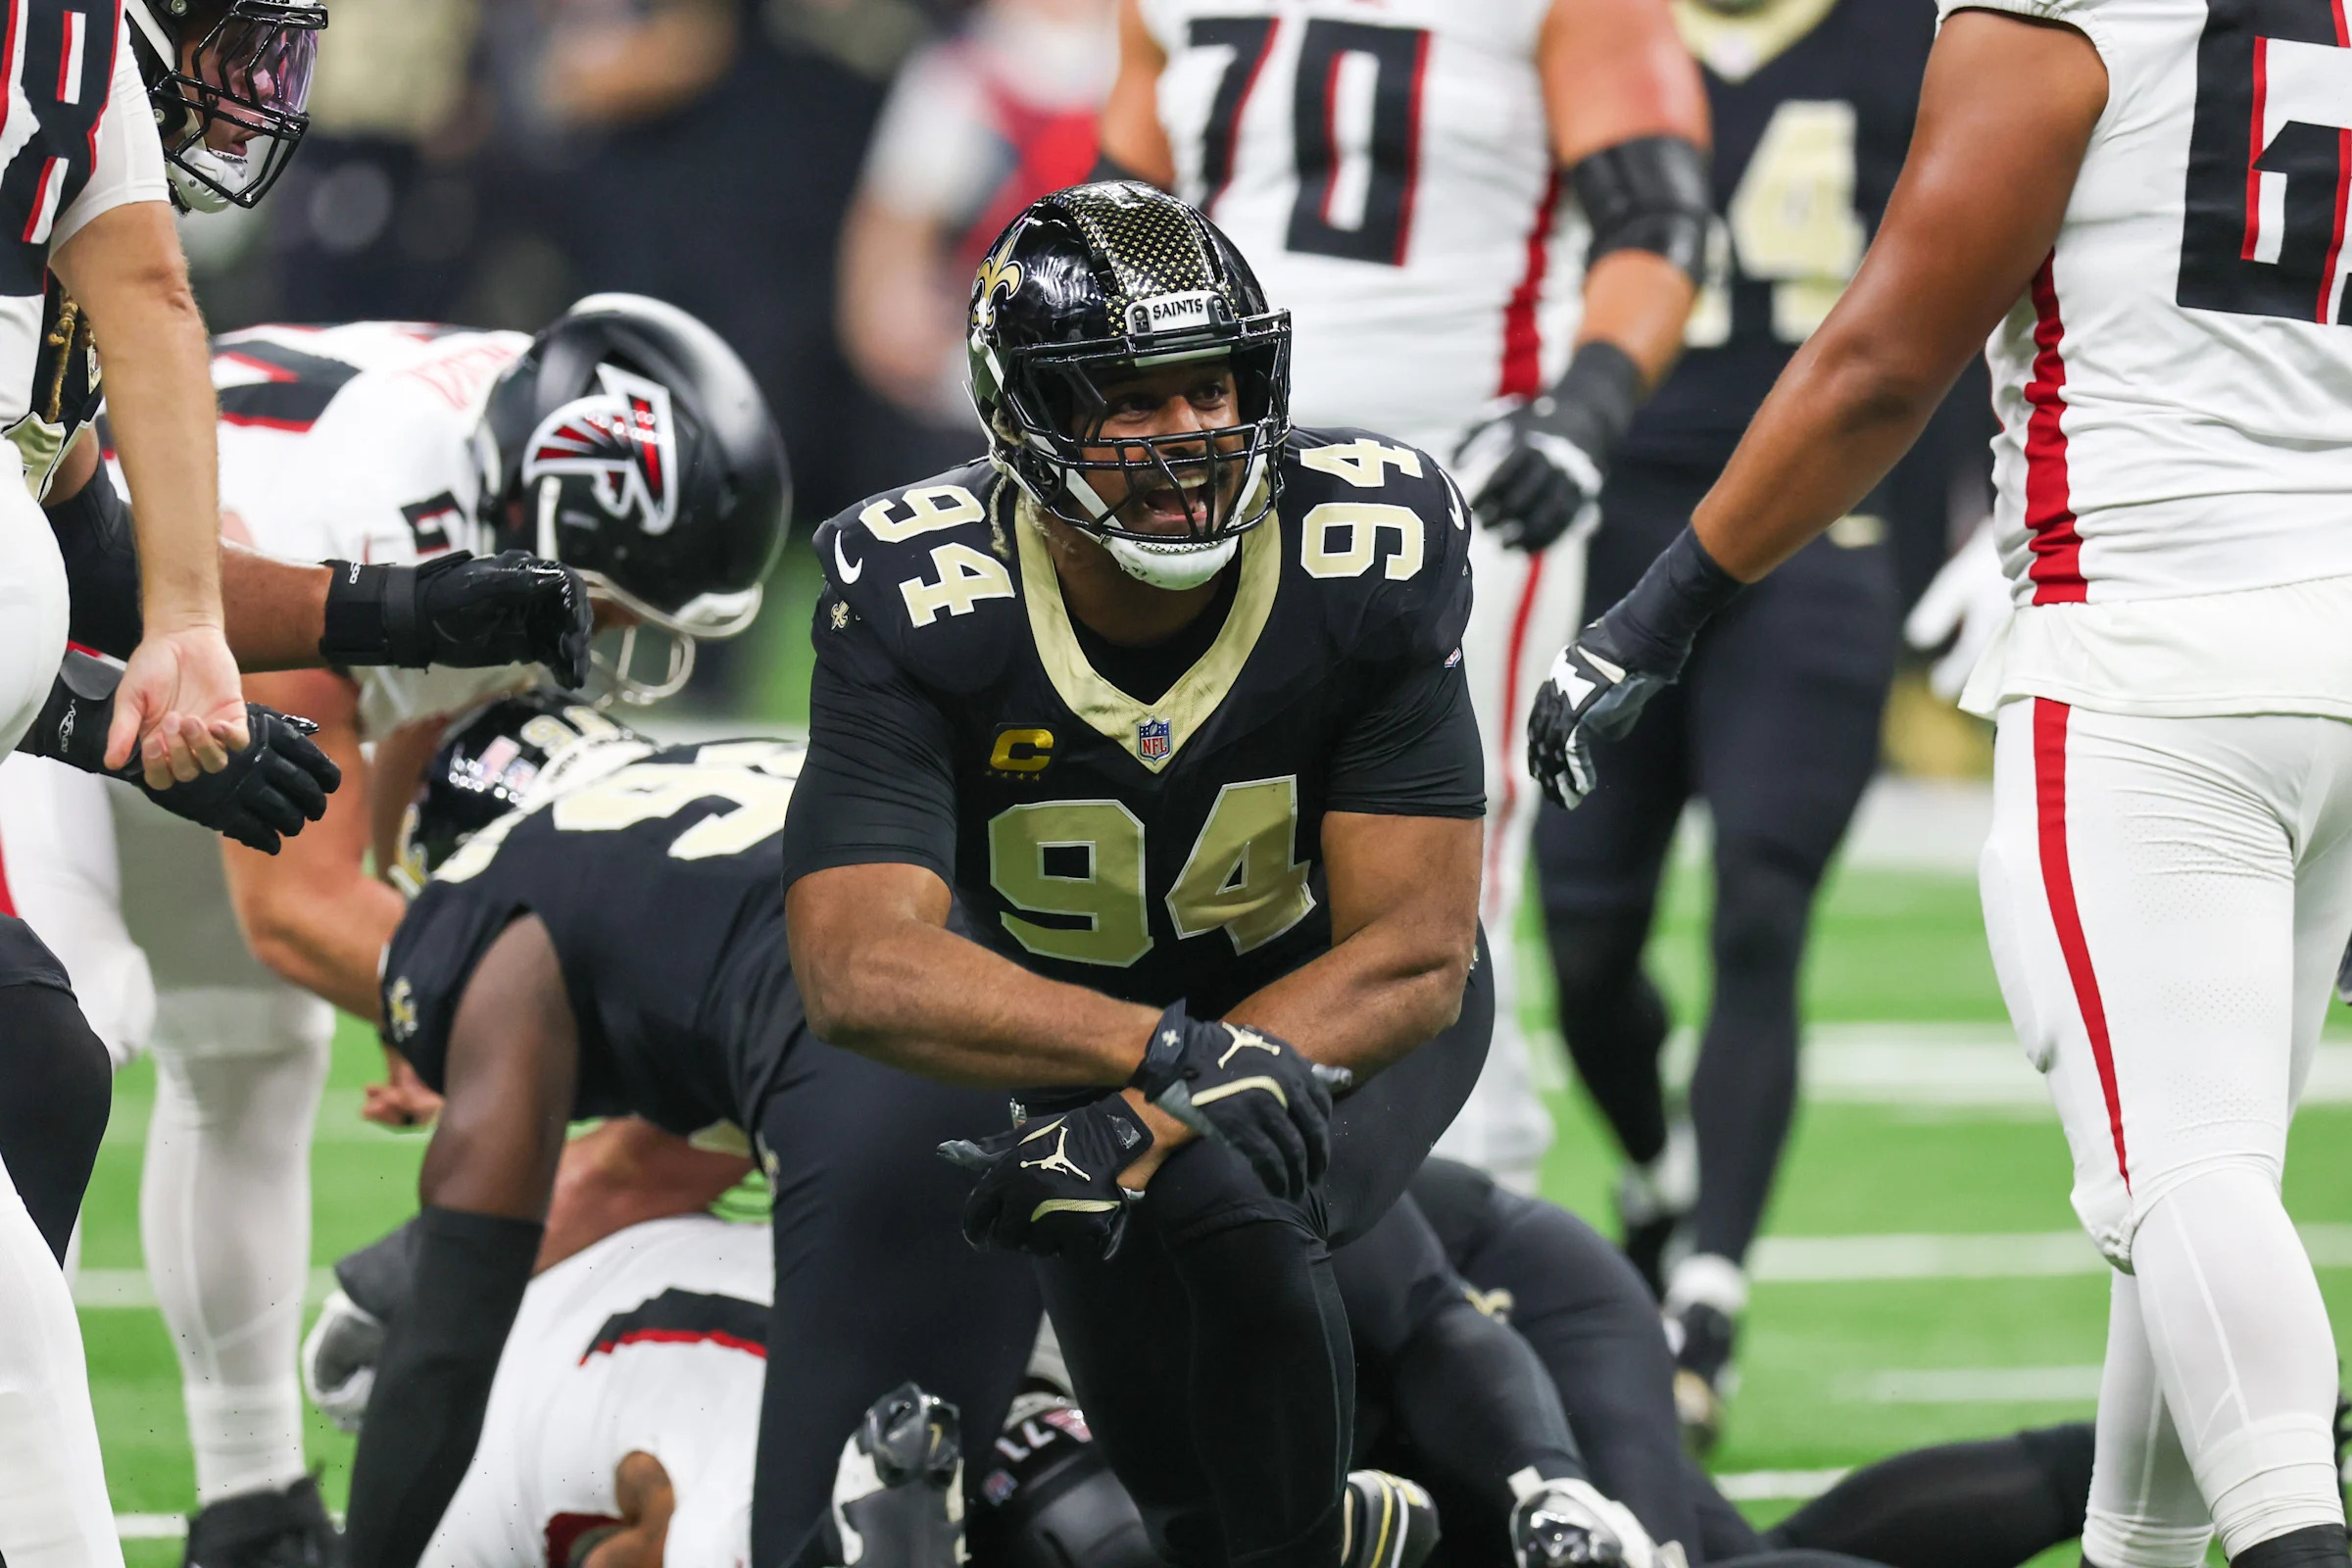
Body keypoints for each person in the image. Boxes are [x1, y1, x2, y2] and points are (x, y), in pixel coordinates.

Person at [1523, 2, 2352, 1567]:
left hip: (2151, 642)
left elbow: (1881, 361)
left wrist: (1657, 613)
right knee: (2194, 1180)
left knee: (2180, 1176)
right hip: (2328, 633)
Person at [778, 179, 1635, 1568]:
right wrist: (1157, 1062)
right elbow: (853, 967)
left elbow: (1419, 947)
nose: (1190, 433)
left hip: (1349, 1004)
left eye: (1213, 386)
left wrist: (1153, 1114)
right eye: (1134, 400)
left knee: (1229, 1194)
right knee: (1181, 1499)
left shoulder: (1364, 543)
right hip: (1087, 1046)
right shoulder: (917, 590)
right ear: (1025, 417)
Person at [2, 291, 775, 1560]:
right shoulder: (369, 500)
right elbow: (299, 908)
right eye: (618, 606)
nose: (623, 642)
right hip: (56, 644)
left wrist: (445, 984)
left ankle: (252, 1504)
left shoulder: (503, 470)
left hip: (202, 662)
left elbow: (416, 707)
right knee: (68, 1024)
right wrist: (488, 1017)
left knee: (256, 1054)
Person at [1090, 0, 1712, 1190]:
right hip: (1199, 478)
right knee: (1193, 862)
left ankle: (1467, 1220)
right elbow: (1106, 225)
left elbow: (1660, 216)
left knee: (1442, 888)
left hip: (1456, 478)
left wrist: (1583, 413)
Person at [307, 1159, 2103, 1568]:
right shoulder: (872, 1206)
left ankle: (2130, 1462)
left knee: (1670, 1564)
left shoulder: (1147, 1129)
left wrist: (1549, 1488)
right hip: (1300, 1402)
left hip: (1478, 1313)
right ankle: (2124, 1460)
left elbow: (1423, 1327)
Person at [339, 696, 1047, 1568]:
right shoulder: (733, 776)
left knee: (811, 1536)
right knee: (1127, 1501)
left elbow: (458, 1314)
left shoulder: (501, 889)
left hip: (909, 1082)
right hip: (1104, 1046)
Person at [1524, 0, 1935, 1446]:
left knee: (1764, 903)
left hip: (1824, 536)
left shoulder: (1911, 37)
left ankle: (1709, 1293)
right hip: (1612, 521)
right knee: (1584, 942)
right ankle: (1659, 1183)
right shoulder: (1595, 30)